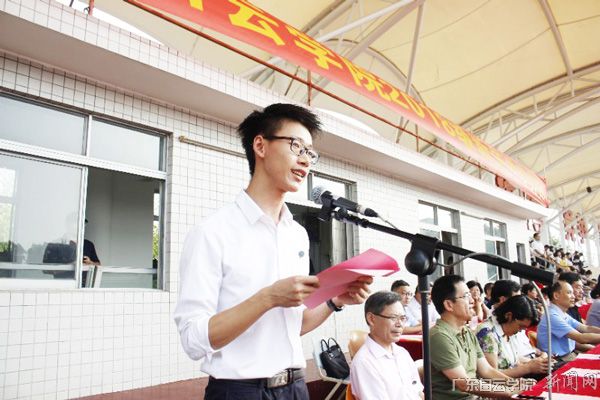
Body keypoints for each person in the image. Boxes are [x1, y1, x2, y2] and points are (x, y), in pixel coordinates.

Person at [174, 104, 372, 400]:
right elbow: (193, 339)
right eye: (296, 146)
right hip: (239, 391)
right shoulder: (212, 232)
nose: (305, 160)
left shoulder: (297, 235)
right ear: (260, 145)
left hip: (295, 388)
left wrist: (334, 301)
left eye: (310, 153)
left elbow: (292, 325)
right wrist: (267, 298)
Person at [429, 275, 524, 399]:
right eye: (466, 296)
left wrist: (514, 384)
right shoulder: (439, 336)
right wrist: (508, 392)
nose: (472, 300)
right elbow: (463, 383)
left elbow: (486, 370)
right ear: (449, 305)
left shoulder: (466, 331)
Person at [350, 291, 424, 400]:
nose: (400, 324)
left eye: (403, 318)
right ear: (371, 319)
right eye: (393, 317)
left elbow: (418, 392)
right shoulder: (364, 362)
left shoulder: (402, 353)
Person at [476, 295, 547, 378]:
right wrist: (528, 368)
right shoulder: (487, 334)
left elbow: (513, 361)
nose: (520, 330)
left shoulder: (508, 330)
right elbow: (492, 375)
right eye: (520, 326)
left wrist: (538, 363)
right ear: (509, 316)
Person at [537, 280, 600, 362]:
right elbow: (581, 338)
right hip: (558, 361)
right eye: (569, 293)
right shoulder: (552, 316)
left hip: (568, 356)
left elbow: (586, 328)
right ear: (556, 296)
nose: (573, 296)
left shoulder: (561, 313)